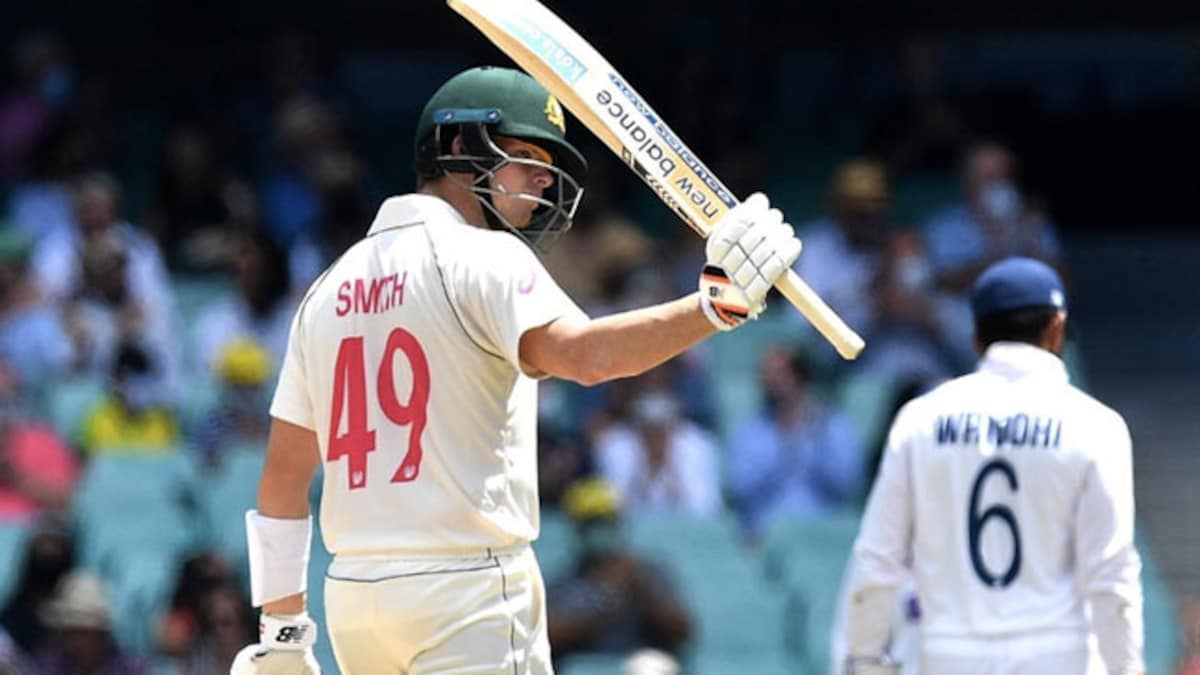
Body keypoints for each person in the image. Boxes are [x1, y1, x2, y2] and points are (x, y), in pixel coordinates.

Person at [232, 65, 801, 674]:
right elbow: (587, 357)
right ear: (457, 145)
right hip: (466, 591)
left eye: (546, 166)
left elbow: (283, 479)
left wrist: (283, 633)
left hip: (357, 600)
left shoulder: (325, 290)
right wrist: (716, 305)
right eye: (526, 157)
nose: (542, 180)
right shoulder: (486, 256)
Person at [841, 257, 1144, 675]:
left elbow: (877, 557)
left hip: (949, 656)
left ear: (976, 338)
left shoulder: (921, 420)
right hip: (1057, 656)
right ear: (1057, 327)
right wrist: (1126, 668)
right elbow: (1110, 572)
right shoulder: (1096, 426)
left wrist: (865, 658)